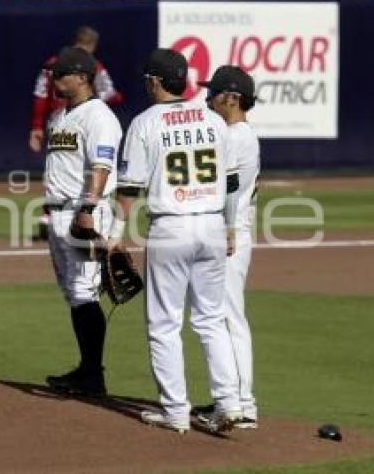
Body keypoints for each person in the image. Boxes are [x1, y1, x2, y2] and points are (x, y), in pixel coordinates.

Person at [112, 48, 242, 434]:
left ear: (154, 81)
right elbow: (232, 183)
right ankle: (229, 402)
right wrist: (231, 226)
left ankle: (175, 411)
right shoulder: (214, 120)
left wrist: (117, 235)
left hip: (172, 226)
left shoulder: (145, 123)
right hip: (213, 225)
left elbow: (129, 188)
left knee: (164, 324)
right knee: (211, 320)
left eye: (147, 80)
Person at [41, 46, 122, 397]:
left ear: (83, 77)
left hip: (83, 211)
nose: (55, 78)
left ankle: (93, 375)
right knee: (74, 295)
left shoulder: (98, 116)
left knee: (85, 292)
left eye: (62, 73)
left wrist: (87, 210)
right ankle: (86, 371)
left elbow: (100, 167)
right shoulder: (59, 117)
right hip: (59, 211)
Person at [202, 65, 261, 430]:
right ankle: (235, 398)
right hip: (231, 232)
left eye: (215, 93)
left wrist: (225, 230)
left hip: (231, 235)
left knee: (228, 315)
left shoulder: (237, 136)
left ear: (233, 98)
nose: (209, 99)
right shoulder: (235, 133)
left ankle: (243, 402)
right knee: (223, 315)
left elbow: (230, 189)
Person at [29, 26, 122, 154]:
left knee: (61, 162)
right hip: (82, 122)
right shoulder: (94, 67)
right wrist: (118, 97)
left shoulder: (52, 64)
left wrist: (37, 126)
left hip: (58, 123)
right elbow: (109, 95)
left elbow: (41, 95)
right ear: (93, 45)